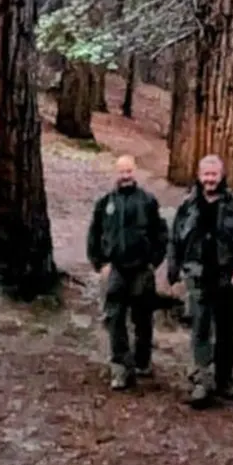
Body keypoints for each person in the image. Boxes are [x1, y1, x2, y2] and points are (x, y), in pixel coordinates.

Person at [167, 154, 233, 408]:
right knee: (200, 329)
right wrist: (173, 272)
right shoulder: (188, 205)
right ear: (199, 175)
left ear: (222, 175)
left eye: (213, 174)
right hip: (197, 276)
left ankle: (225, 379)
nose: (209, 179)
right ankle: (201, 381)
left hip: (227, 277)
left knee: (227, 330)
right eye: (205, 174)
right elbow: (175, 238)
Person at [86, 155, 169, 390]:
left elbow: (161, 235)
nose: (125, 176)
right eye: (121, 171)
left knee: (142, 318)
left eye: (129, 171)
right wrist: (100, 264)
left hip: (142, 269)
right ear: (116, 173)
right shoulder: (105, 203)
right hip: (116, 269)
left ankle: (142, 361)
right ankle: (120, 368)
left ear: (136, 172)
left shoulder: (148, 201)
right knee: (114, 318)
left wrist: (153, 262)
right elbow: (94, 235)